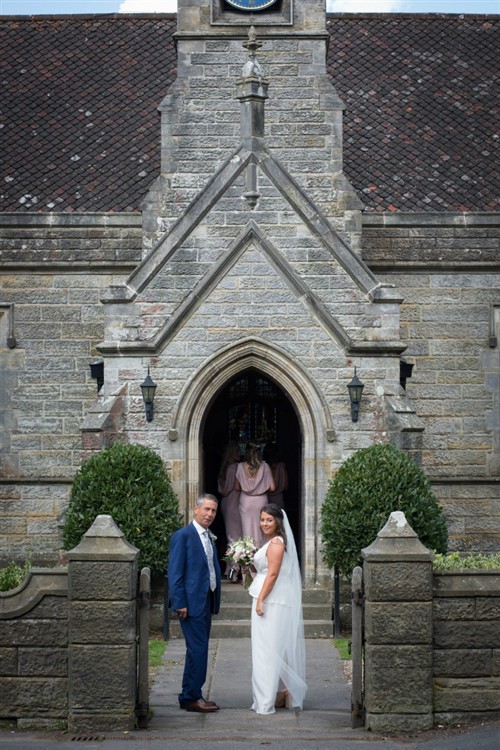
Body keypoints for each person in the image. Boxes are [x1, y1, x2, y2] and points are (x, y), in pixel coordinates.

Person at [248, 503, 307, 715]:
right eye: (262, 519)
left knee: (266, 651)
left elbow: (272, 575)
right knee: (267, 650)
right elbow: (267, 572)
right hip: (269, 597)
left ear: (278, 522)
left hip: (271, 602)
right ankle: (270, 696)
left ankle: (265, 702)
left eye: (269, 520)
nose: (264, 523)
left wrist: (261, 599)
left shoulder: (276, 544)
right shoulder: (272, 542)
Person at [168, 494, 222, 713]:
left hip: (206, 600)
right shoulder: (183, 536)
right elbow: (175, 572)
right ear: (195, 509)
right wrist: (180, 602)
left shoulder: (209, 536)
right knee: (198, 649)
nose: (209, 514)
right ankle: (191, 697)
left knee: (197, 650)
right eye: (206, 509)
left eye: (213, 511)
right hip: (190, 603)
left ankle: (189, 694)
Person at [235, 442, 275, 545]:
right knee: (262, 528)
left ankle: (248, 554)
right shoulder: (265, 466)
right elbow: (272, 487)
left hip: (246, 502)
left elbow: (236, 487)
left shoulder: (240, 466)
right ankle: (261, 552)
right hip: (260, 501)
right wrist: (261, 486)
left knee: (246, 528)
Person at [218, 441, 242, 578]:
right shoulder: (234, 467)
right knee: (235, 537)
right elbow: (227, 489)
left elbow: (221, 488)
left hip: (227, 502)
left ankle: (230, 569)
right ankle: (234, 569)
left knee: (232, 536)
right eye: (237, 451)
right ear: (231, 453)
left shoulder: (224, 467)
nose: (240, 454)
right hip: (234, 500)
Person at [263, 443, 288, 509]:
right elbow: (285, 486)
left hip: (266, 498)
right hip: (278, 499)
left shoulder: (264, 466)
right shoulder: (281, 466)